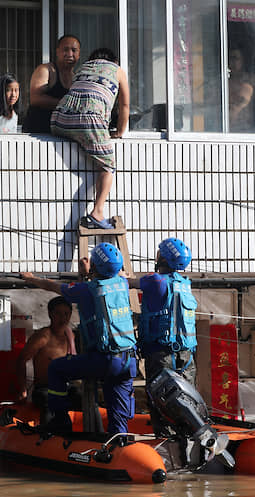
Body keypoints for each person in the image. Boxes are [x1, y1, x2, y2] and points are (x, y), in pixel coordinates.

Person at [19, 242, 137, 436]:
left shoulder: (86, 290)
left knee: (56, 368)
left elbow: (53, 286)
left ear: (96, 266)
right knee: (117, 405)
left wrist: (32, 279)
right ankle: (119, 440)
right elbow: (103, 283)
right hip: (127, 360)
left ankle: (61, 423)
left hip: (104, 360)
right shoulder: (122, 283)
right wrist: (89, 273)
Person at [51, 48, 130, 230]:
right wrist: (118, 132)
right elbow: (124, 105)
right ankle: (97, 212)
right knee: (108, 165)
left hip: (59, 119)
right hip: (89, 120)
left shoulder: (83, 69)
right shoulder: (117, 70)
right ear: (115, 61)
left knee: (85, 137)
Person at [126, 238, 198, 436]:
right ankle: (188, 444)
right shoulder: (185, 284)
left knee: (161, 402)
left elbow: (127, 282)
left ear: (162, 257)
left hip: (161, 355)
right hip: (187, 356)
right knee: (186, 402)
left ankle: (167, 447)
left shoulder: (155, 280)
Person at [14, 297, 76, 423]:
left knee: (85, 398)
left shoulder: (70, 335)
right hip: (44, 389)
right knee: (49, 403)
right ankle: (47, 438)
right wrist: (23, 389)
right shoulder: (43, 336)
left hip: (66, 387)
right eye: (58, 313)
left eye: (66, 314)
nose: (63, 318)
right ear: (50, 314)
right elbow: (22, 360)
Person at [22, 35, 81, 134]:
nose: (70, 54)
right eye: (65, 49)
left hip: (60, 136)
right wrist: (68, 105)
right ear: (57, 52)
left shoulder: (77, 79)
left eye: (74, 50)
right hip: (36, 134)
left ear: (79, 54)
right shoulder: (46, 70)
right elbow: (35, 99)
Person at [228, 43, 255, 133]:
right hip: (227, 132)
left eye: (235, 58)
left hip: (247, 133)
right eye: (230, 58)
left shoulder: (253, 82)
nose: (232, 62)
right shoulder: (224, 83)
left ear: (243, 60)